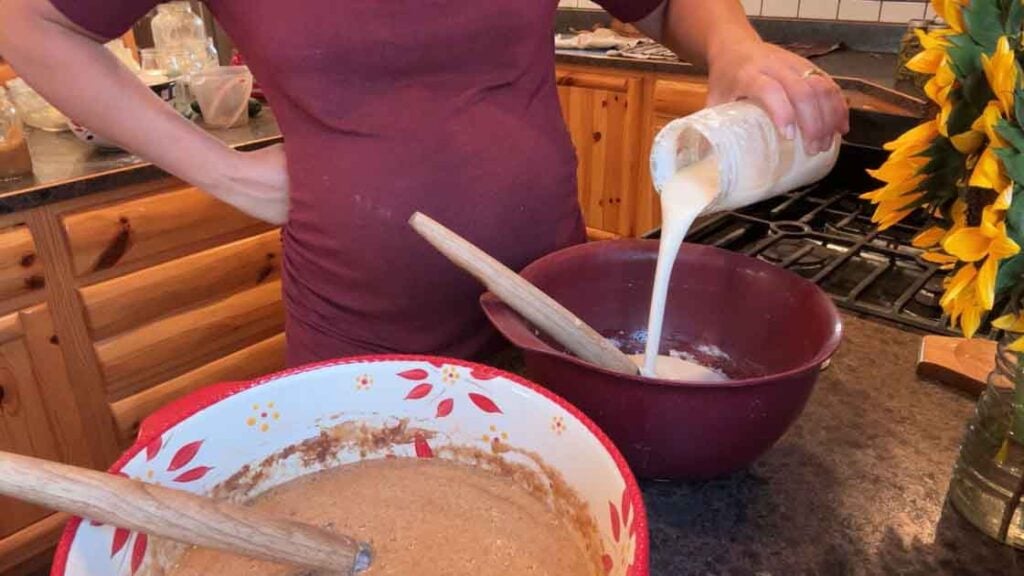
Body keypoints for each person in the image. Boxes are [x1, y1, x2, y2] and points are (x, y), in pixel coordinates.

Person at [0, 0, 848, 366]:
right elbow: (29, 19)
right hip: (358, 326)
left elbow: (665, 3)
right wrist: (222, 171)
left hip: (551, 311)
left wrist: (734, 45)